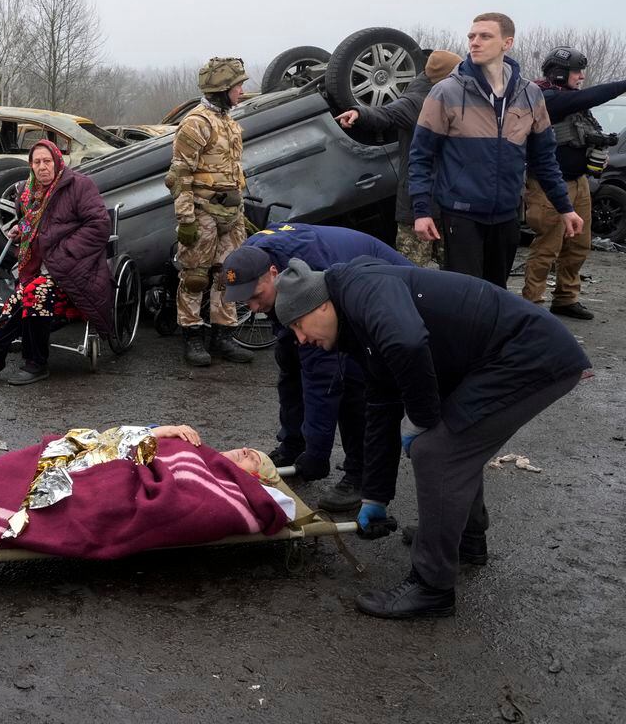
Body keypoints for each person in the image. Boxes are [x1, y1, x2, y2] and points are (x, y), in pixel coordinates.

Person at [273, 257, 589, 618]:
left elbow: (407, 342)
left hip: (529, 354)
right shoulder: (353, 326)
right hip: (499, 358)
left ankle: (431, 586)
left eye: (299, 325)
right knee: (453, 445)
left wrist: (421, 421)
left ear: (322, 304)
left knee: (437, 452)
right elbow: (381, 403)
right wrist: (375, 496)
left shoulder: (362, 288)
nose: (301, 339)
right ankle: (467, 540)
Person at [218, 224, 411, 512]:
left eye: (257, 296)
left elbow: (323, 379)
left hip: (384, 283)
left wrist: (318, 454)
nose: (254, 307)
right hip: (335, 276)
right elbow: (295, 370)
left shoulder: (309, 284)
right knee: (288, 360)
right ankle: (293, 443)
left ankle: (360, 475)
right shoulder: (252, 256)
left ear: (273, 273)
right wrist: (299, 443)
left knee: (353, 384)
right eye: (246, 299)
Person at [407, 12, 583, 287]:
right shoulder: (446, 92)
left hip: (506, 214)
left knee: (497, 294)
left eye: (485, 36)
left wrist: (565, 208)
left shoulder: (530, 95)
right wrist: (421, 211)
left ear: (507, 43)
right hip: (461, 212)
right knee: (465, 296)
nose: (475, 42)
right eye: (471, 37)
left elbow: (545, 159)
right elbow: (420, 156)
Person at [0, 139, 112, 386]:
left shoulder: (79, 186)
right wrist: (20, 229)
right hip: (42, 269)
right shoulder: (30, 192)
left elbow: (99, 226)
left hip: (74, 268)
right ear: (31, 165)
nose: (42, 167)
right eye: (36, 162)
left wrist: (63, 253)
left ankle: (36, 363)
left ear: (57, 161)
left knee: (34, 293)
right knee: (14, 301)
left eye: (47, 161)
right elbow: (33, 222)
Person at [523, 47, 626, 319]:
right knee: (547, 247)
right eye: (576, 71)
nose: (581, 77)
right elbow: (590, 96)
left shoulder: (576, 104)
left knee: (579, 245)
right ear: (558, 74)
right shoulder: (543, 98)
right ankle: (531, 305)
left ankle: (566, 298)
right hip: (548, 187)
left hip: (579, 184)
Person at [165, 57, 255, 366]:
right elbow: (179, 176)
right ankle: (193, 336)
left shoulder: (229, 121)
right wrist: (186, 219)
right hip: (202, 213)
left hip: (231, 214)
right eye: (238, 86)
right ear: (222, 88)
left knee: (227, 275)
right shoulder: (196, 122)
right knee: (195, 277)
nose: (242, 90)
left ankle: (223, 335)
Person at [335, 49, 463, 265]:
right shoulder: (416, 101)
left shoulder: (454, 98)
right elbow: (387, 113)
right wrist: (359, 113)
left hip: (448, 204)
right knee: (410, 271)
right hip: (416, 205)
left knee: (455, 270)